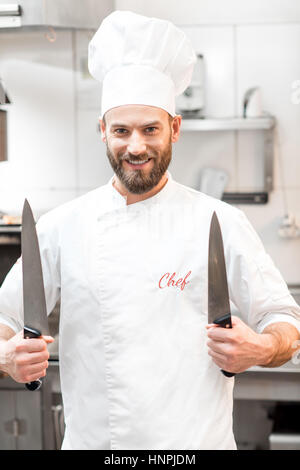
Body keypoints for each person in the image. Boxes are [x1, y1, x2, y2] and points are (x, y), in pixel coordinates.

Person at [0, 10, 300, 451]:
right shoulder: (62, 227)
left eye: (150, 129)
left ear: (174, 129)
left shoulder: (218, 222)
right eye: (121, 130)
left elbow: (286, 324)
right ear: (103, 131)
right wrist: (8, 357)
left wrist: (260, 348)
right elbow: (3, 322)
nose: (135, 146)